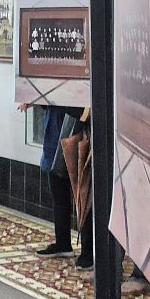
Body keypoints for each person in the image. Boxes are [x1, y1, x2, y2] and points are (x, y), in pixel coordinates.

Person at [32, 104, 93, 269]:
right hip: (55, 128)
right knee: (58, 188)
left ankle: (89, 251)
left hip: (75, 125)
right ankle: (63, 242)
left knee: (83, 190)